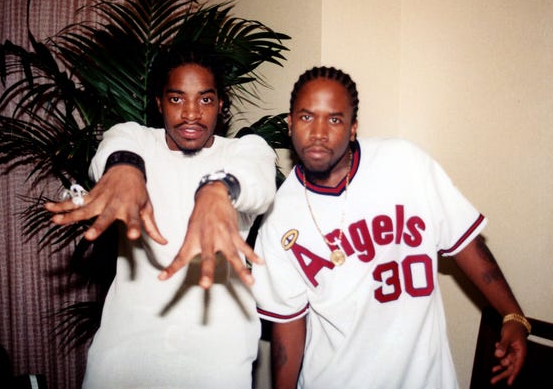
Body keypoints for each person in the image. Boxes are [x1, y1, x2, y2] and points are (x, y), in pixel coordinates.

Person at [251, 66, 529, 389]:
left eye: (335, 119)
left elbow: (464, 240)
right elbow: (289, 323)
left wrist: (512, 314)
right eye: (306, 117)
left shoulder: (404, 164)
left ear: (353, 128)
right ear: (289, 123)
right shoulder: (277, 215)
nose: (318, 133)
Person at [45, 47, 277, 389]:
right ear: (158, 103)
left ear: (221, 104)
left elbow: (257, 181)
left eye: (206, 100)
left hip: (217, 358)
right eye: (177, 99)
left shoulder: (245, 151)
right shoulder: (136, 139)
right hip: (125, 354)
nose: (191, 114)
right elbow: (114, 147)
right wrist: (125, 168)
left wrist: (217, 190)